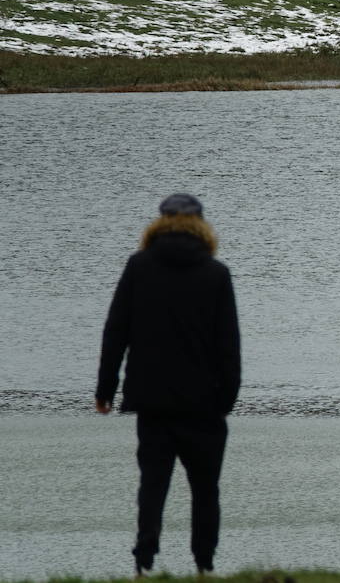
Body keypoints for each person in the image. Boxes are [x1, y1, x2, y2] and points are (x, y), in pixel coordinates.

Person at [96, 194, 241, 577]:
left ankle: (144, 560)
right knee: (206, 489)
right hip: (204, 404)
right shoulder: (216, 273)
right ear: (202, 226)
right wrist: (226, 399)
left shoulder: (138, 267)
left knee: (153, 484)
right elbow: (229, 345)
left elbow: (116, 332)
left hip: (152, 401)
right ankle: (204, 565)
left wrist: (105, 390)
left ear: (158, 223)